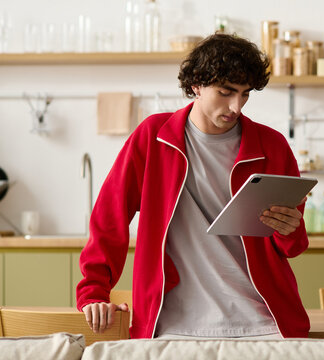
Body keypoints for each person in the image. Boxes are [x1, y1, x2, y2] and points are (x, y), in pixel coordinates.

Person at [76, 33, 310, 340]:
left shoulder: (273, 146)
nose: (236, 106)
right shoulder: (153, 136)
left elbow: (291, 247)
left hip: (263, 323)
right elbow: (110, 219)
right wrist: (94, 292)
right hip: (172, 324)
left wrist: (289, 228)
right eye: (225, 92)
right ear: (196, 85)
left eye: (245, 94)